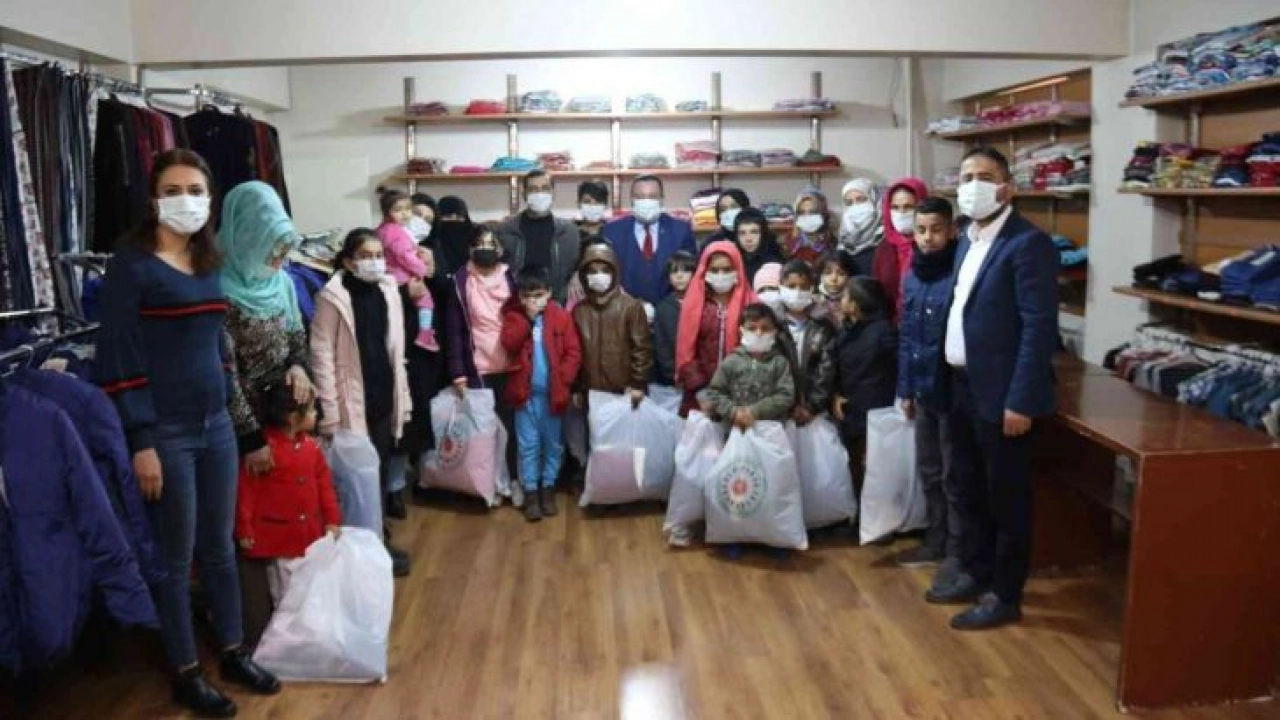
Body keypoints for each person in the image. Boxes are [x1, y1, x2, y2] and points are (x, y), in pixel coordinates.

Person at [95, 148, 279, 717]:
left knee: (219, 547)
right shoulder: (132, 265)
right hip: (166, 433)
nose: (185, 200)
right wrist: (141, 440)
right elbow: (117, 357)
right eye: (172, 190)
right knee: (175, 558)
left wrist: (232, 407)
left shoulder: (207, 259)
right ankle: (185, 670)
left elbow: (216, 341)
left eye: (195, 190)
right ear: (154, 199)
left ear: (210, 198)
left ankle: (233, 650)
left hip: (215, 424)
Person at [935, 147, 1058, 632]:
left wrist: (1021, 400)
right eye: (967, 176)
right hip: (961, 386)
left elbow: (1038, 328)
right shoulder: (966, 239)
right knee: (966, 487)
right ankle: (976, 570)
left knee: (1005, 498)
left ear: (1008, 188)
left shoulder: (1028, 244)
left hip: (1002, 394)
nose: (973, 185)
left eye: (985, 176)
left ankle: (1005, 594)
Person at [310, 229, 413, 577]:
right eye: (366, 256)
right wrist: (329, 410)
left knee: (378, 471)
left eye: (379, 255)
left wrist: (402, 396)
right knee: (354, 482)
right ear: (349, 260)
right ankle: (357, 551)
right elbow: (321, 353)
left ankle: (378, 540)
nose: (375, 262)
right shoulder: (333, 295)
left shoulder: (388, 289)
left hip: (383, 393)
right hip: (349, 400)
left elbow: (395, 347)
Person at [234, 386, 341, 638]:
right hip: (278, 540)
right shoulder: (265, 451)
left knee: (310, 591)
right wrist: (244, 528)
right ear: (293, 417)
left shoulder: (312, 448)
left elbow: (325, 486)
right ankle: (284, 642)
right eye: (311, 410)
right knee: (283, 597)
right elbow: (247, 492)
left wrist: (332, 520)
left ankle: (306, 637)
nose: (316, 414)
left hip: (309, 538)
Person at [894, 197, 961, 575]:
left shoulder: (960, 271)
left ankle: (957, 549)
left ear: (951, 231)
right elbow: (907, 336)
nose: (928, 237)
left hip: (951, 389)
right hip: (922, 388)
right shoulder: (913, 275)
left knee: (955, 475)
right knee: (930, 469)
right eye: (921, 230)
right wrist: (905, 390)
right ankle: (935, 539)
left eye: (936, 229)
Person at [500, 265, 583, 522]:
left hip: (552, 396)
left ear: (549, 293)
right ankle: (531, 492)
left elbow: (573, 352)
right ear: (520, 296)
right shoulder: (514, 316)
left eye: (538, 295)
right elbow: (509, 343)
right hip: (524, 397)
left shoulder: (560, 317)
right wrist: (527, 319)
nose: (533, 301)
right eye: (527, 296)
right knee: (528, 446)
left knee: (553, 445)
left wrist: (564, 379)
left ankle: (548, 488)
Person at [444, 224, 519, 481]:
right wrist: (458, 374)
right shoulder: (461, 280)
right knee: (484, 430)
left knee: (512, 428)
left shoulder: (512, 277)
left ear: (500, 249)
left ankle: (512, 480)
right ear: (470, 249)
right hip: (477, 367)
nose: (485, 249)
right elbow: (454, 330)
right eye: (480, 244)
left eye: (491, 244)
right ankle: (488, 483)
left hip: (512, 366)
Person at [831, 277, 898, 496]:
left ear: (856, 303)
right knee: (855, 468)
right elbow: (837, 366)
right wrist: (836, 394)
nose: (841, 300)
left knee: (877, 470)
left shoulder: (883, 332)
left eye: (846, 296)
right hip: (850, 410)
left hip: (878, 413)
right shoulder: (846, 332)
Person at [675, 241, 757, 416]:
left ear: (738, 270)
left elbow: (758, 354)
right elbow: (685, 351)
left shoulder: (751, 304)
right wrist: (701, 391)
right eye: (714, 270)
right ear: (705, 271)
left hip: (740, 397)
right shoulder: (694, 304)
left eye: (727, 270)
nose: (721, 275)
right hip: (698, 397)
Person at [572, 243, 653, 410]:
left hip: (625, 392)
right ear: (584, 275)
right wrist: (576, 388)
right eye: (592, 271)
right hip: (589, 393)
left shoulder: (631, 307)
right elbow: (575, 353)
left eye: (604, 270)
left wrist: (638, 384)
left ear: (614, 273)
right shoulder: (579, 311)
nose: (599, 276)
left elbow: (642, 349)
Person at [603, 175, 698, 304]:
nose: (646, 202)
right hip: (625, 309)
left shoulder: (681, 230)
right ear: (631, 200)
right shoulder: (612, 231)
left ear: (662, 199)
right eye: (639, 197)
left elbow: (692, 273)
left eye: (652, 197)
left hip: (670, 310)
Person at [496, 170, 582, 304]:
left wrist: (578, 274)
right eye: (533, 189)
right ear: (524, 194)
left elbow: (577, 266)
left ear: (553, 193)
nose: (539, 194)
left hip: (557, 305)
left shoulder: (569, 232)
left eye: (545, 188)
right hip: (518, 304)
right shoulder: (507, 230)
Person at [376, 187, 438, 352]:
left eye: (407, 209)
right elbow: (404, 255)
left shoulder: (382, 230)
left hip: (391, 277)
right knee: (426, 301)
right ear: (387, 212)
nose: (405, 214)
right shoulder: (396, 232)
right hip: (402, 278)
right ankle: (425, 334)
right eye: (398, 210)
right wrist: (422, 269)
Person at [778, 260, 838, 429]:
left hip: (816, 412)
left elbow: (827, 369)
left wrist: (812, 406)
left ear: (812, 289)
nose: (797, 292)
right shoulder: (774, 326)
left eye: (803, 287)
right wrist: (788, 406)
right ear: (781, 287)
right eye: (791, 286)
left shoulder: (823, 326)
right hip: (782, 413)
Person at [873, 178, 929, 321]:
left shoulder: (931, 245)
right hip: (890, 325)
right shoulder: (884, 248)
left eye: (908, 207)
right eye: (895, 207)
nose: (901, 213)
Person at [653, 250, 697, 392]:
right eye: (674, 271)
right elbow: (662, 347)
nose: (679, 276)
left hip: (702, 377)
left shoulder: (703, 304)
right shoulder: (663, 308)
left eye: (685, 271)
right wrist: (674, 375)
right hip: (673, 380)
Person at [836, 178, 884, 276]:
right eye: (849, 203)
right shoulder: (843, 241)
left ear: (874, 199)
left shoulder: (886, 239)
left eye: (861, 199)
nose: (855, 206)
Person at [784, 187, 835, 265]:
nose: (807, 216)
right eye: (801, 212)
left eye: (812, 212)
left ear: (823, 214)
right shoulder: (790, 242)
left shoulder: (831, 242)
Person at [734, 207, 785, 284]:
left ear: (763, 233)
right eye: (742, 233)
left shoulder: (774, 263)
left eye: (754, 232)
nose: (748, 238)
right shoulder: (733, 260)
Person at [432, 195, 474, 277]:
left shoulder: (475, 240)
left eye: (459, 217)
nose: (454, 220)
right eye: (448, 216)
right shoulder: (430, 242)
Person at [815, 251, 855, 322]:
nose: (834, 278)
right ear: (820, 276)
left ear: (849, 276)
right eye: (828, 273)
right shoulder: (814, 301)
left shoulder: (855, 300)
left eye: (841, 274)